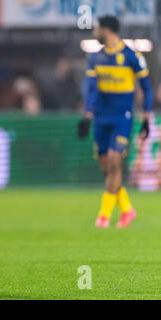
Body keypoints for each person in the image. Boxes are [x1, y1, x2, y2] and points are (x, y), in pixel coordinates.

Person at [78, 15, 153, 228]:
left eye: (97, 29)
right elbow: (92, 90)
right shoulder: (95, 58)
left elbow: (146, 88)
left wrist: (146, 115)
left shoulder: (131, 56)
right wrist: (87, 115)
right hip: (101, 118)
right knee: (106, 168)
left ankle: (103, 216)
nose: (94, 33)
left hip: (123, 117)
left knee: (114, 162)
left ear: (107, 30)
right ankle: (127, 210)